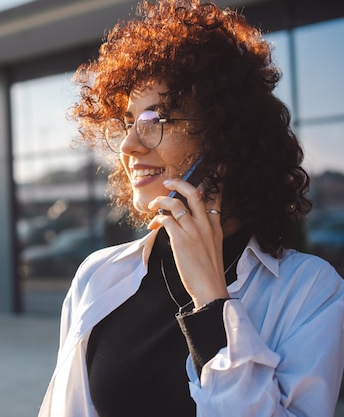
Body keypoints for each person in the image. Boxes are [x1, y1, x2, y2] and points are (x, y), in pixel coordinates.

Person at [38, 1, 344, 416]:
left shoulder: (309, 291)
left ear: (224, 139)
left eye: (155, 118)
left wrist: (212, 306)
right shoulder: (99, 275)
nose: (129, 146)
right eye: (128, 121)